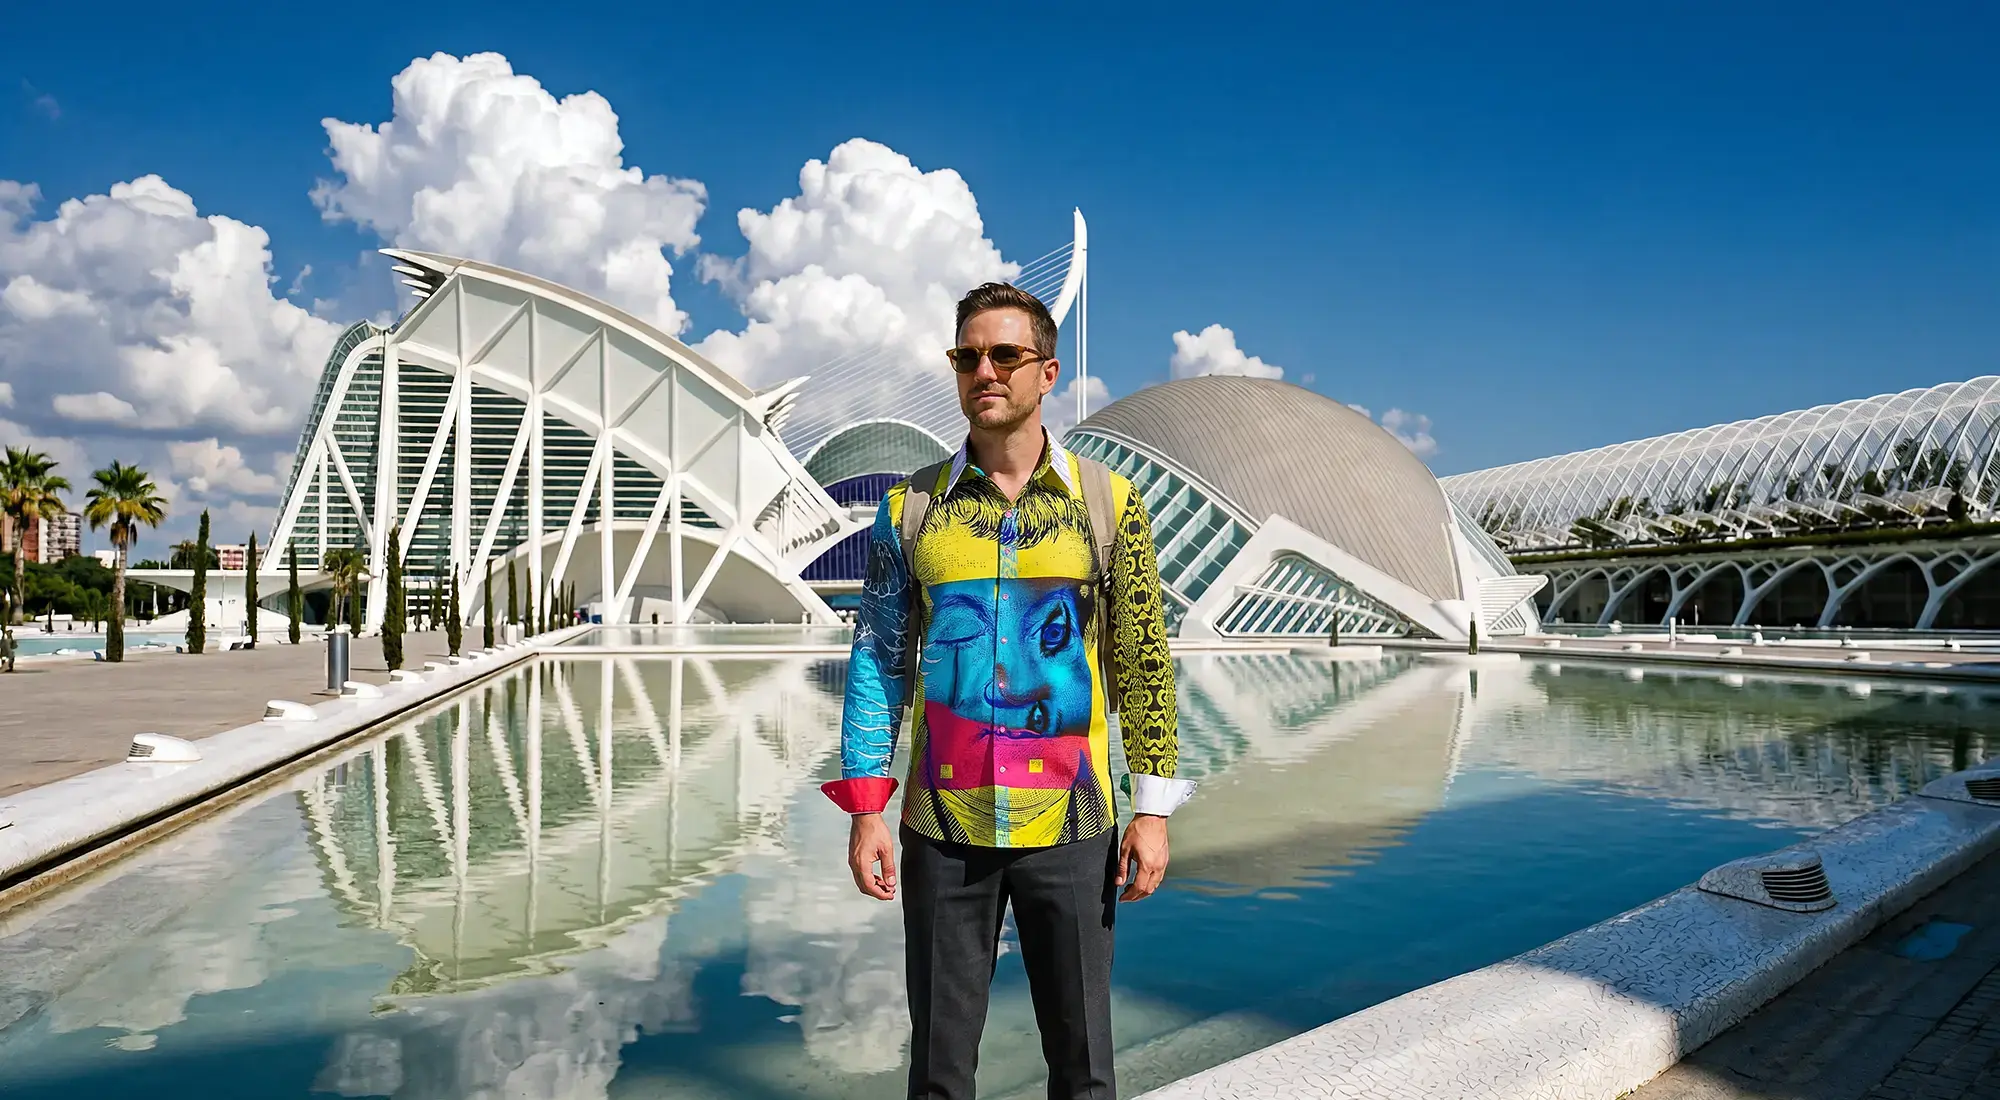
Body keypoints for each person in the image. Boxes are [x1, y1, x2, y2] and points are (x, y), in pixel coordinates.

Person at [824, 283, 1193, 1099]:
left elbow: (1142, 659)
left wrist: (1153, 807)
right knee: (938, 1072)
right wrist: (865, 807)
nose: (983, 371)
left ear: (1047, 372)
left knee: (1084, 1068)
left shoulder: (1108, 502)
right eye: (967, 356)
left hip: (1072, 824)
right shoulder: (909, 508)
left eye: (1003, 354)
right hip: (942, 826)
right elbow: (879, 659)